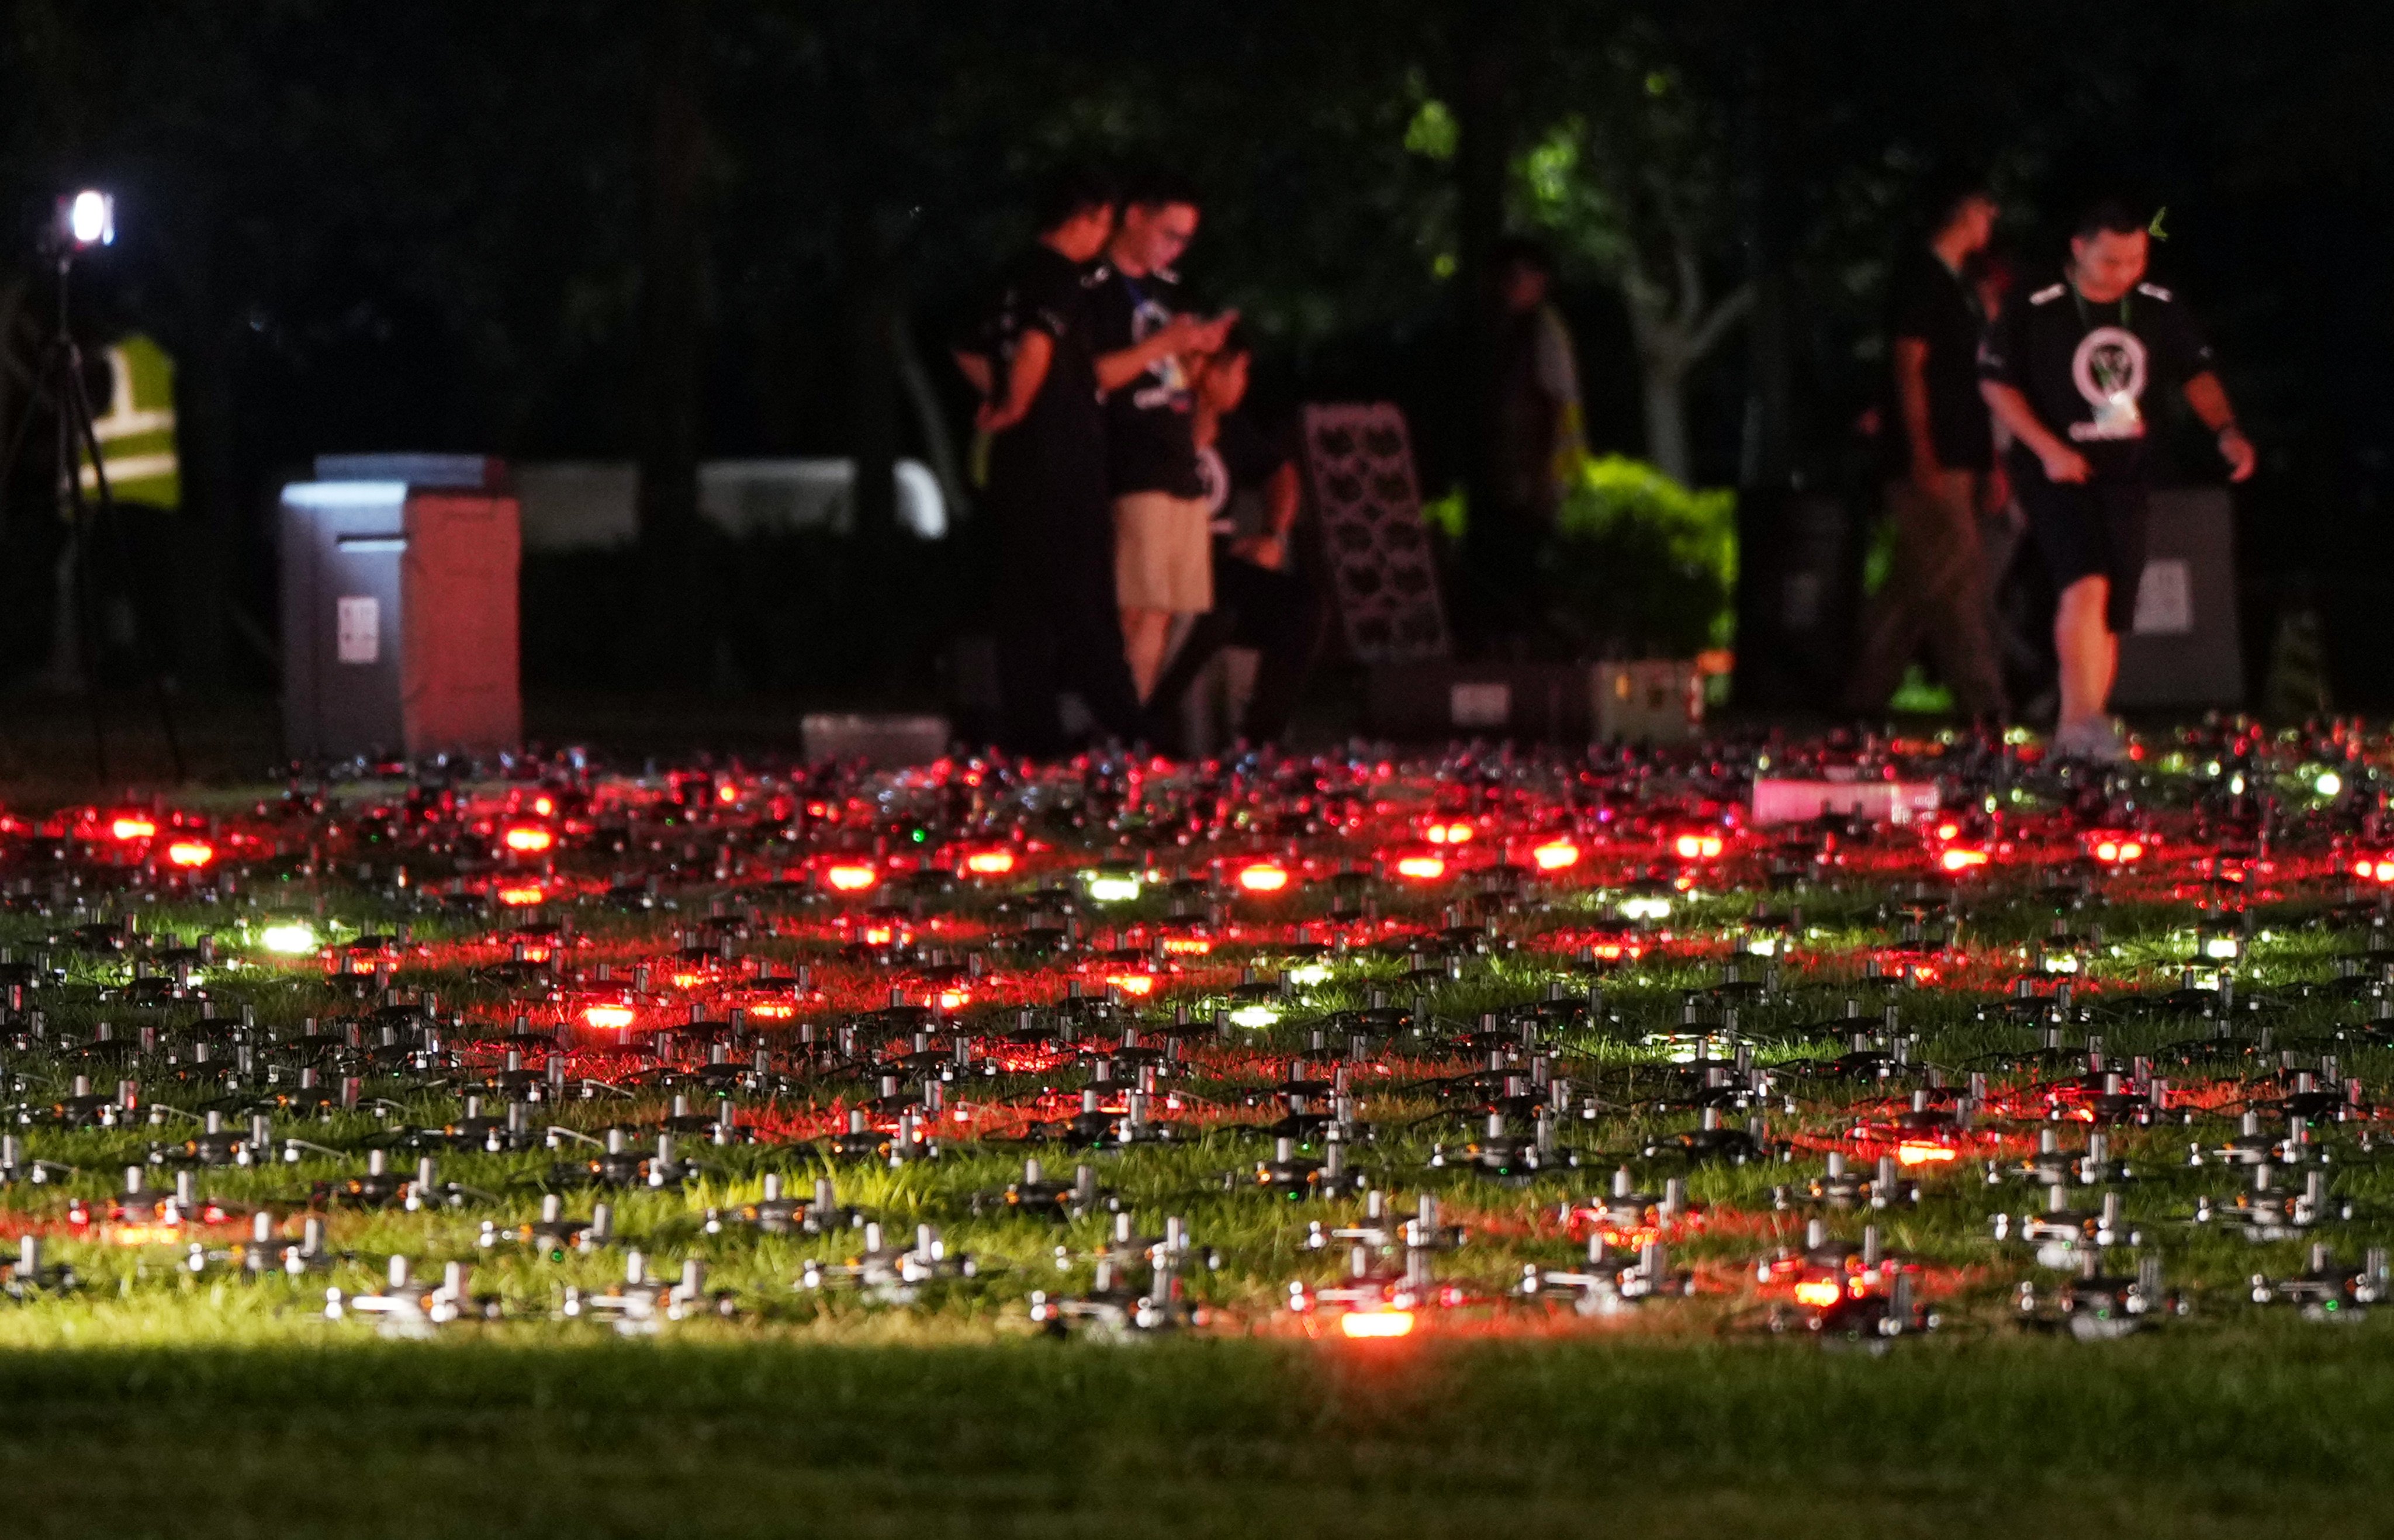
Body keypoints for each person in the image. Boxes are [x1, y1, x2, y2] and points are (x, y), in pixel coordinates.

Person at [1979, 198, 2257, 762]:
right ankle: (2078, 720)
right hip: (2057, 466)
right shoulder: (2037, 304)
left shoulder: (2157, 304)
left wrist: (2227, 430)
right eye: (2110, 261)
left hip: (2128, 470)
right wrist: (2049, 448)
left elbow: (2196, 373)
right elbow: (1996, 383)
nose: (2124, 273)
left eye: (2136, 260)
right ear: (2079, 249)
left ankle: (2085, 723)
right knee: (2084, 581)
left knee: (2111, 602)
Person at [953, 168, 1148, 756]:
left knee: (1025, 605)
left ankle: (1033, 734)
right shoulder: (1061, 279)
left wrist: (995, 395)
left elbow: (963, 344)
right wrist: (1015, 402)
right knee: (1083, 597)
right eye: (1104, 225)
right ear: (1085, 218)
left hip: (1017, 466)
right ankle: (1132, 727)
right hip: (1060, 460)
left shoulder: (1006, 275)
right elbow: (1039, 341)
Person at [1844, 180, 2009, 722]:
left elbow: (1972, 379)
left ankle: (1863, 696)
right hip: (1934, 455)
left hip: (1958, 451)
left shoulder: (1957, 285)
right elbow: (1909, 367)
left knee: (1917, 581)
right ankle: (1985, 705)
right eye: (1986, 206)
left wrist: (1988, 462)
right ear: (1963, 210)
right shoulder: (1922, 279)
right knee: (1959, 578)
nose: (1993, 217)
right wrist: (1922, 450)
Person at [1087, 175, 1238, 701]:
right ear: (1134, 217)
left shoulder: (1167, 289)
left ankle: (1137, 718)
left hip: (1179, 463)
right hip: (1131, 463)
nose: (1173, 249)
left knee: (1164, 609)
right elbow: (1094, 374)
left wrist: (1197, 350)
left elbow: (1176, 373)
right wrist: (1163, 344)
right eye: (1167, 233)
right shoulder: (1094, 286)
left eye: (1183, 240)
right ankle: (1112, 727)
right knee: (1130, 603)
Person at [1145, 327, 1324, 749]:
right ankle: (1150, 728)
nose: (1243, 384)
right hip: (1166, 563)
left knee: (1301, 607)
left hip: (1221, 565)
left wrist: (1273, 535)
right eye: (1238, 372)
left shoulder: (1233, 429)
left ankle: (1260, 742)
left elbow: (1280, 472)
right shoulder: (1162, 417)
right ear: (1208, 372)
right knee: (1215, 613)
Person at [1470, 238, 1587, 643]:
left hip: (1536, 474)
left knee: (1526, 566)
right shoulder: (1512, 331)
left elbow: (1552, 406)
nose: (1510, 287)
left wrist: (1540, 477)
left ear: (1541, 282)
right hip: (1520, 471)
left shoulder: (1541, 330)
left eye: (1519, 277)